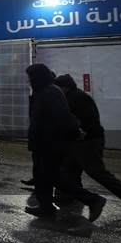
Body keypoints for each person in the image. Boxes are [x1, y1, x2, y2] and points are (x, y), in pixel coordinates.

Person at [24, 64, 107, 221]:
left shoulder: (49, 92)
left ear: (37, 77)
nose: (27, 81)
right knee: (41, 175)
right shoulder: (44, 91)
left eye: (29, 78)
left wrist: (75, 129)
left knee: (51, 176)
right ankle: (46, 207)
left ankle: (93, 200)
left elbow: (62, 114)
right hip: (44, 141)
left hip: (51, 143)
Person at [53, 74, 121, 213]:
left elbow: (86, 120)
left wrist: (74, 131)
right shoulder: (71, 97)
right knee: (67, 169)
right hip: (77, 140)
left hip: (87, 141)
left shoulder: (78, 98)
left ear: (64, 87)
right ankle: (64, 195)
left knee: (96, 171)